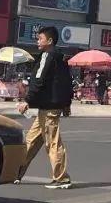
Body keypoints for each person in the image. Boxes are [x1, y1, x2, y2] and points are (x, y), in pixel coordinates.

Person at [15, 26, 73, 189]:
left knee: (52, 142)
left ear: (50, 41)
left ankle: (61, 178)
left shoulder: (48, 56)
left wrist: (27, 101)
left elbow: (39, 80)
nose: (37, 41)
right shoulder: (60, 58)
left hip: (49, 107)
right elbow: (67, 82)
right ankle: (16, 172)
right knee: (31, 141)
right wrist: (66, 104)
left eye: (40, 38)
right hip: (49, 106)